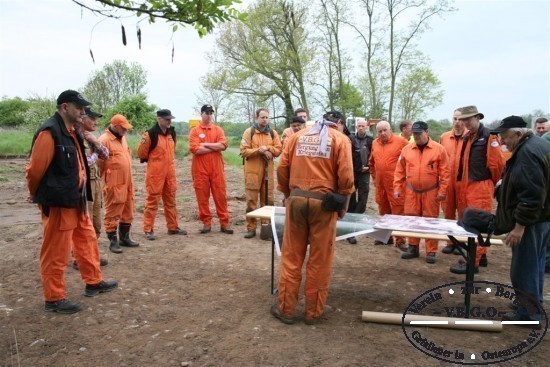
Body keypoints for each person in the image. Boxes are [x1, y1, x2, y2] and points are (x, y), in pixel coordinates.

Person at [26, 90, 117, 314]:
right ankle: (54, 298)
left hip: (77, 199)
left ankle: (93, 282)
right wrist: (36, 194)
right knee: (56, 251)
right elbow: (34, 171)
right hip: (59, 202)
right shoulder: (50, 132)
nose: (83, 112)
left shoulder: (71, 131)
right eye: (79, 108)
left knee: (86, 240)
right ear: (64, 107)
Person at [272, 111, 355, 325]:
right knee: (320, 260)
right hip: (325, 205)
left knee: (291, 257)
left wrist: (287, 194)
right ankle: (313, 312)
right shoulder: (340, 139)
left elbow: (281, 168)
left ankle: (286, 309)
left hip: (297, 200)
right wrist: (344, 203)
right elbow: (346, 175)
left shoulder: (297, 137)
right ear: (338, 123)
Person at [491, 116, 550, 325]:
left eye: (505, 136)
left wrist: (519, 227)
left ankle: (528, 314)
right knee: (535, 264)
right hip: (542, 219)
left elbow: (532, 196)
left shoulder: (527, 153)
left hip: (532, 222)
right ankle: (532, 304)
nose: (502, 141)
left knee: (524, 266)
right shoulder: (539, 144)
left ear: (518, 134)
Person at [450, 106, 505, 274]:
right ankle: (480, 256)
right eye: (463, 120)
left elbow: (496, 165)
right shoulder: (469, 136)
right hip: (467, 184)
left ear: (477, 118)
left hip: (480, 185)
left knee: (477, 223)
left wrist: (489, 183)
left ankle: (472, 262)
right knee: (468, 221)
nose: (465, 123)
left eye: (468, 120)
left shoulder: (489, 136)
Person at [394, 121, 450, 264]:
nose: (417, 136)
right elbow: (399, 171)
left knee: (430, 221)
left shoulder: (439, 149)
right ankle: (413, 247)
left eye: (419, 133)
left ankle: (431, 251)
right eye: (414, 133)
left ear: (427, 132)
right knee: (412, 220)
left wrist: (443, 191)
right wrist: (397, 188)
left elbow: (445, 173)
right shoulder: (406, 150)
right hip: (411, 191)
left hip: (431, 192)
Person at [138, 109, 187, 240]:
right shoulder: (150, 134)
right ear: (159, 119)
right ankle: (148, 229)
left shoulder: (172, 133)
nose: (169, 121)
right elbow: (142, 153)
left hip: (169, 173)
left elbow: (172, 150)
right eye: (166, 119)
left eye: (170, 118)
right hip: (155, 173)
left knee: (170, 200)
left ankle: (173, 227)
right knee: (152, 201)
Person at [73, 107, 109, 268]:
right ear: (82, 119)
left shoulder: (90, 138)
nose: (96, 122)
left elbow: (106, 154)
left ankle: (92, 254)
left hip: (96, 184)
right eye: (92, 119)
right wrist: (95, 151)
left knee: (96, 223)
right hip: (83, 185)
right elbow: (86, 161)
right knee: (83, 223)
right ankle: (79, 258)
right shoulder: (75, 137)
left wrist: (95, 143)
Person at [98, 114, 140, 253]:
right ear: (115, 126)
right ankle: (113, 241)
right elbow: (99, 165)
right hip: (114, 183)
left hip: (127, 182)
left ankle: (124, 237)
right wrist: (103, 182)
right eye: (123, 128)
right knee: (112, 211)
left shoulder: (123, 139)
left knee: (128, 209)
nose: (125, 130)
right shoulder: (104, 140)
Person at [189, 104, 233, 234]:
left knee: (220, 196)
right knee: (202, 197)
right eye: (206, 113)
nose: (209, 115)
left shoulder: (218, 129)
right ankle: (206, 223)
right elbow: (195, 149)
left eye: (211, 113)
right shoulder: (195, 130)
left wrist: (205, 144)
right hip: (200, 170)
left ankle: (224, 223)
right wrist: (215, 146)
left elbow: (223, 145)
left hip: (216, 169)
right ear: (201, 114)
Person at [240, 108, 282, 239]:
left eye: (267, 117)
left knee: (268, 201)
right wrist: (260, 150)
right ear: (257, 117)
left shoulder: (273, 133)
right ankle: (251, 228)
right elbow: (243, 151)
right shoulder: (249, 132)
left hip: (267, 174)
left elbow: (279, 149)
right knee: (251, 201)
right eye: (262, 117)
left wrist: (269, 148)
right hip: (252, 173)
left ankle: (266, 228)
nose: (265, 120)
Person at [368, 120, 409, 249]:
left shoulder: (401, 142)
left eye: (385, 130)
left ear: (390, 129)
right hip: (381, 184)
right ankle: (384, 237)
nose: (383, 133)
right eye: (380, 131)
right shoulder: (375, 143)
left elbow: (410, 160)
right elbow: (372, 163)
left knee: (398, 211)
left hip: (396, 184)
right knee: (383, 210)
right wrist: (375, 178)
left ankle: (400, 240)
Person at [439, 108, 467, 255]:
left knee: (463, 214)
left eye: (460, 119)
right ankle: (450, 241)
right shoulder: (444, 137)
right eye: (455, 118)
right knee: (448, 213)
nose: (457, 122)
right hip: (448, 181)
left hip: (464, 182)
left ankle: (462, 242)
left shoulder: (470, 137)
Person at [349, 118, 374, 215]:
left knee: (363, 194)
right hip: (352, 171)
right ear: (356, 127)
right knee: (351, 193)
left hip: (365, 172)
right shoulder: (350, 139)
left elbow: (374, 156)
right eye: (359, 126)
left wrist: (369, 167)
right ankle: (351, 213)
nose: (361, 128)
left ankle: (359, 214)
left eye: (363, 126)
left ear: (366, 128)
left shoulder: (370, 140)